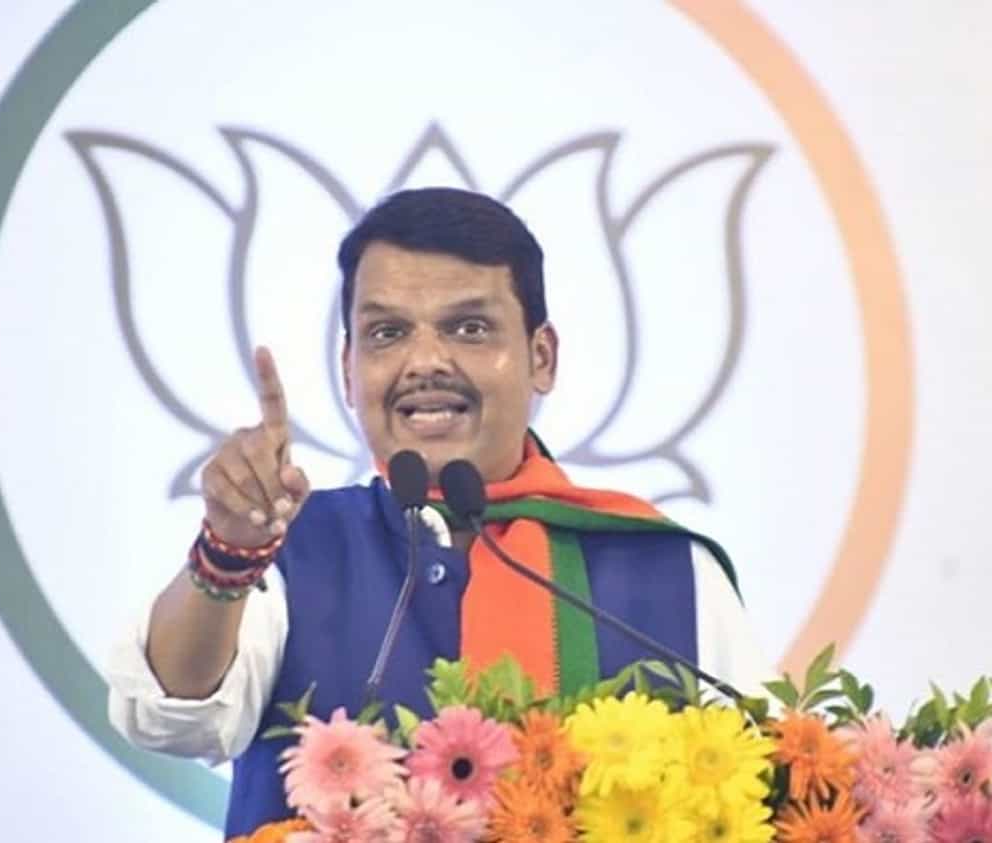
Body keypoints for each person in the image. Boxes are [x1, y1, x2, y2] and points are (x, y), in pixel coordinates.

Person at [106, 186, 772, 837]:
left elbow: (771, 797)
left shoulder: (670, 570)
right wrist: (227, 552)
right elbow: (172, 715)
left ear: (541, 358)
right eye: (387, 332)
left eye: (469, 328)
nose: (425, 361)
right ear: (349, 368)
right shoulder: (293, 548)